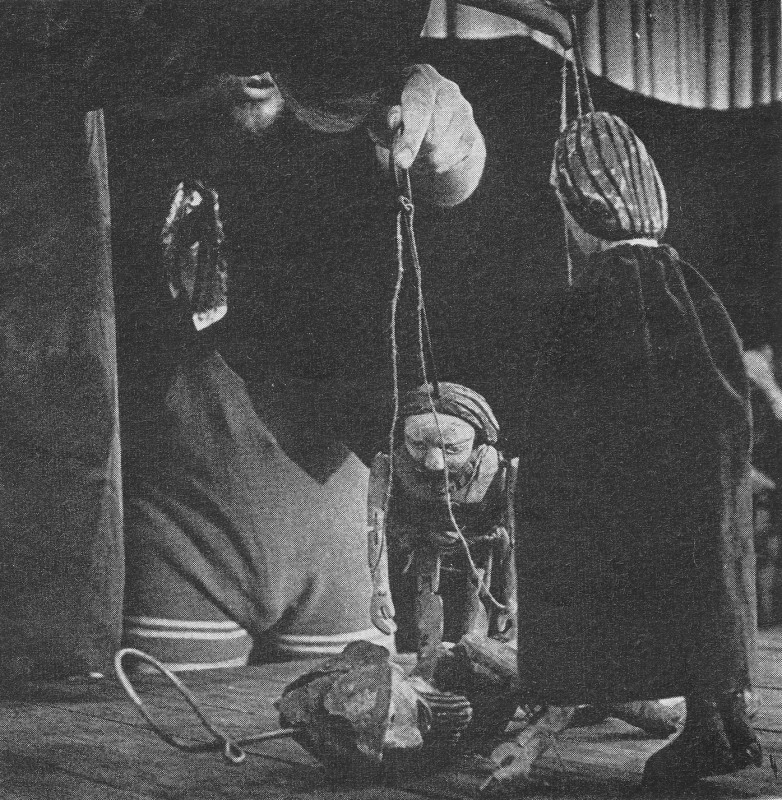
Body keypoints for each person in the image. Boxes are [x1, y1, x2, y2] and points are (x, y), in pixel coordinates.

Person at [512, 110, 760, 790]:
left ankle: (713, 732)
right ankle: (723, 723)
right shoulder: (685, 282)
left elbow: (576, 408)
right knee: (702, 581)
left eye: (565, 203)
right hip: (700, 473)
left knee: (651, 577)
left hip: (641, 478)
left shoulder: (607, 288)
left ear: (585, 204)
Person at [366, 382, 518, 662]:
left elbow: (513, 536)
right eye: (417, 445)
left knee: (473, 639)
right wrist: (380, 590)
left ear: (477, 440)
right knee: (425, 634)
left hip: (479, 565)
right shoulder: (392, 467)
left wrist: (511, 597)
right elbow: (377, 528)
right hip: (422, 563)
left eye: (451, 449)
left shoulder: (499, 471)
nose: (433, 463)